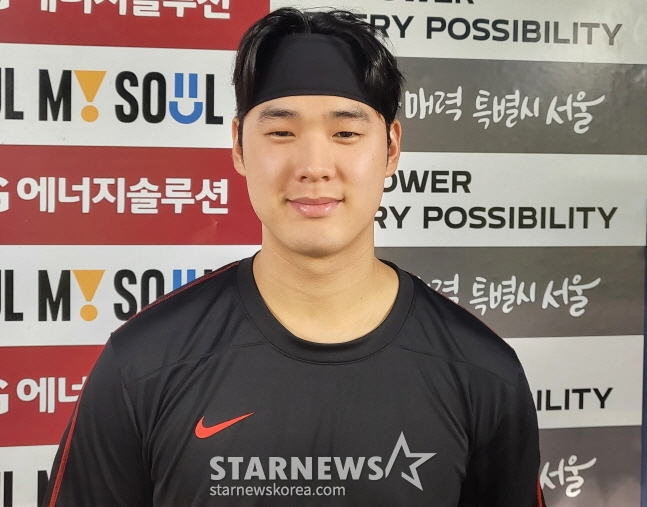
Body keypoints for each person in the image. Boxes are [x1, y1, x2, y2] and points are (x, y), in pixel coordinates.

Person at [43, 8, 545, 507]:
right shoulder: (143, 364)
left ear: (391, 148)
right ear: (239, 145)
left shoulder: (482, 373)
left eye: (345, 133)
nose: (313, 166)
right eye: (281, 133)